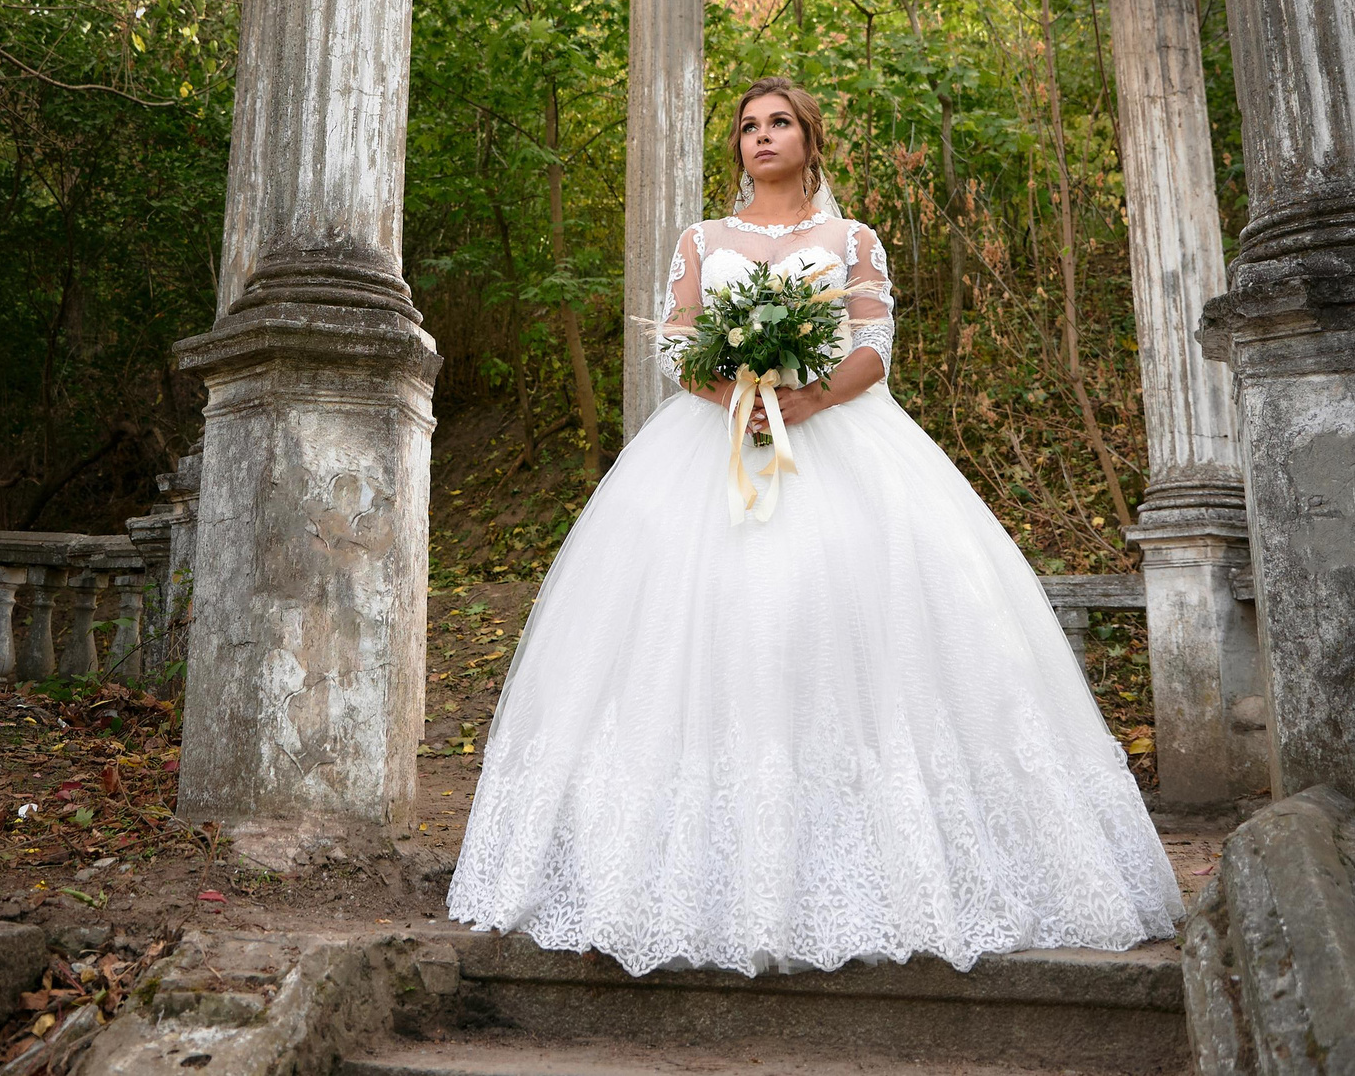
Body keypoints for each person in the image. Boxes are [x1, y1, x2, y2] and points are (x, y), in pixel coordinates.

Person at [445, 78, 1180, 977]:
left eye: (778, 122)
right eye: (748, 127)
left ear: (809, 138)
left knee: (837, 626)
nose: (762, 136)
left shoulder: (850, 239)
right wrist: (736, 398)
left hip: (839, 442)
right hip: (710, 448)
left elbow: (874, 342)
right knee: (699, 632)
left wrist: (803, 398)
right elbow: (677, 339)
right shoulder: (701, 242)